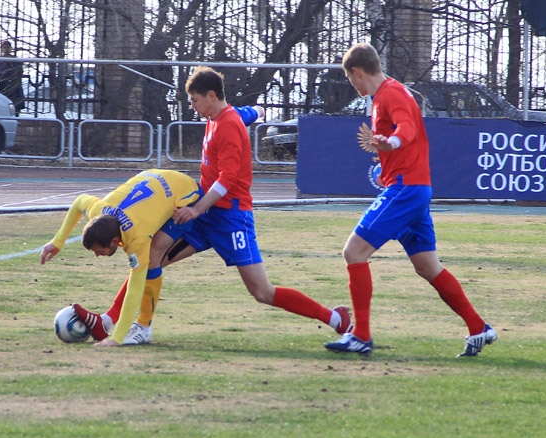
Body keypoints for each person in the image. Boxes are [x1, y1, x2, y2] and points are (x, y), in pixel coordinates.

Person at [72, 67, 350, 347]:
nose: (193, 107)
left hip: (231, 218)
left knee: (262, 292)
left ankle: (335, 319)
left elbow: (227, 180)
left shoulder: (227, 124)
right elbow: (247, 113)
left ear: (212, 95)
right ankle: (117, 323)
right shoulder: (219, 116)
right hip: (205, 213)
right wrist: (260, 110)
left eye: (194, 100)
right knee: (151, 256)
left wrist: (195, 209)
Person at [324, 43, 496, 357]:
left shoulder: (390, 93)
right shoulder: (385, 95)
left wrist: (391, 141)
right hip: (411, 187)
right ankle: (478, 327)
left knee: (354, 252)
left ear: (358, 72)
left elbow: (408, 128)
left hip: (405, 190)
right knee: (427, 266)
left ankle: (361, 335)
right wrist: (384, 163)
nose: (353, 85)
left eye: (351, 79)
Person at [40, 169, 203, 347]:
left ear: (115, 241)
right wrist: (58, 241)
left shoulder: (137, 238)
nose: (97, 255)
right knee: (148, 261)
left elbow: (135, 289)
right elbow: (80, 201)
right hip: (155, 178)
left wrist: (116, 338)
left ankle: (143, 328)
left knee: (151, 260)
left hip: (186, 193)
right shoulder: (98, 210)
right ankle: (108, 320)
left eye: (100, 251)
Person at [0, 40, 25, 115]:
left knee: (16, 109)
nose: (6, 49)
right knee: (4, 107)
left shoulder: (15, 60)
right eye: (4, 47)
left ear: (11, 48)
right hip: (4, 86)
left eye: (8, 47)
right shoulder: (0, 60)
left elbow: (19, 72)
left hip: (15, 87)